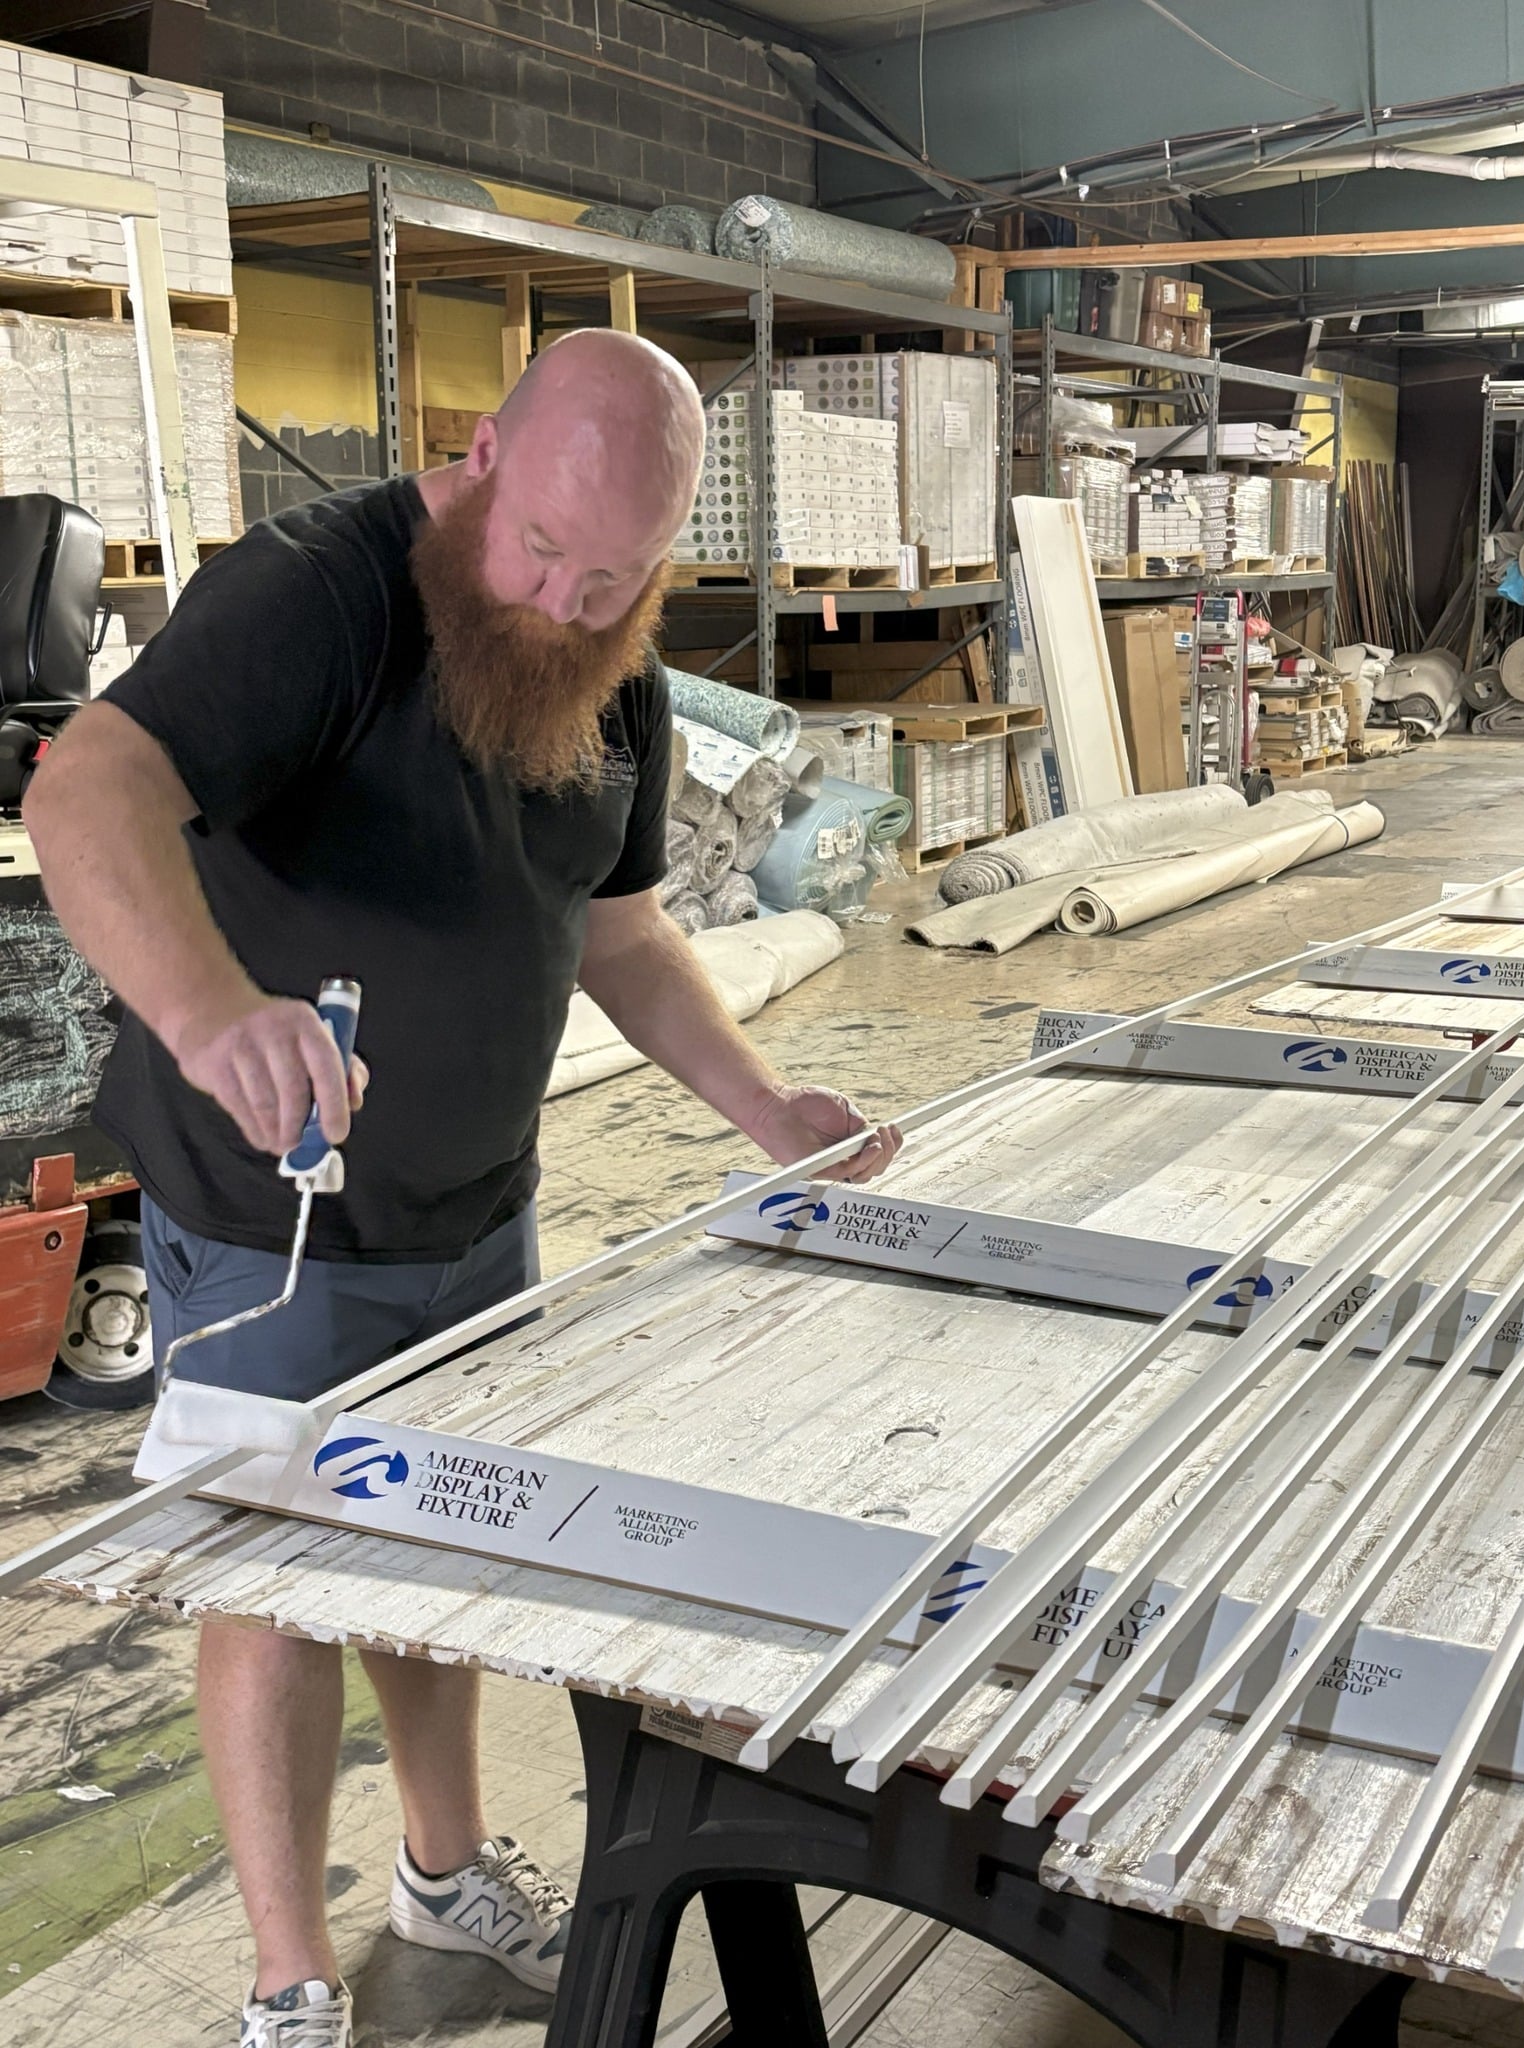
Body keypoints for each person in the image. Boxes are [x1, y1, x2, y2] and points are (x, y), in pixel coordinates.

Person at [23, 328, 901, 2048]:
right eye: (545, 554)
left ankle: (442, 1877)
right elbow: (88, 790)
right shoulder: (319, 595)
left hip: (476, 1205)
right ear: (478, 455)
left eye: (614, 578)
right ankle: (289, 1980)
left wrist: (762, 1104)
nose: (567, 603)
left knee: (434, 1540)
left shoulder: (614, 666)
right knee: (276, 1584)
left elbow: (617, 932)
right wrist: (213, 1015)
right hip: (274, 1212)